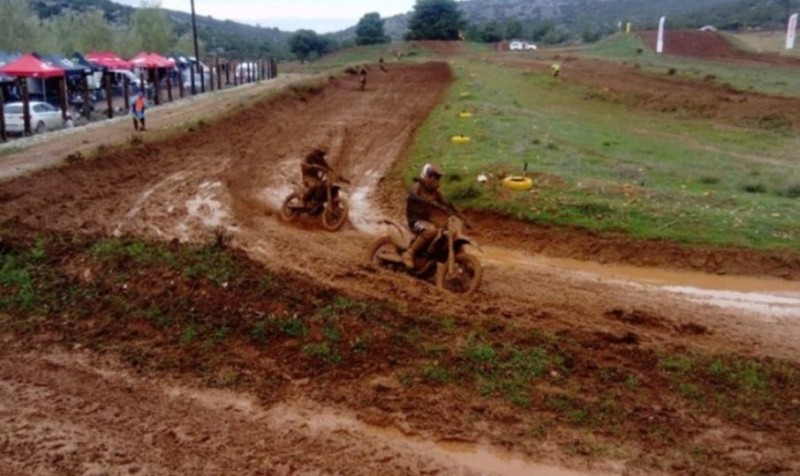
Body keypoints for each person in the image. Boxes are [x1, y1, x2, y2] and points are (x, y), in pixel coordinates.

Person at [402, 163, 462, 269]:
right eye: (434, 177)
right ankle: (409, 253)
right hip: (416, 220)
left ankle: (432, 255)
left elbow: (446, 202)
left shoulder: (434, 192)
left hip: (427, 220)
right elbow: (413, 196)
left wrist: (459, 214)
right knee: (431, 231)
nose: (436, 181)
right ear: (427, 176)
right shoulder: (418, 186)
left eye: (437, 178)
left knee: (445, 230)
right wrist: (427, 202)